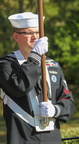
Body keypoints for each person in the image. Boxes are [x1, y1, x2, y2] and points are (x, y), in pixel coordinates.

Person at [0, 12, 75, 144]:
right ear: (16, 36)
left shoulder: (53, 66)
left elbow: (67, 100)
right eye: (29, 33)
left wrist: (55, 110)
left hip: (52, 139)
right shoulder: (6, 65)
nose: (35, 37)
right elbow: (20, 86)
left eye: (38, 32)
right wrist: (35, 56)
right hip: (22, 138)